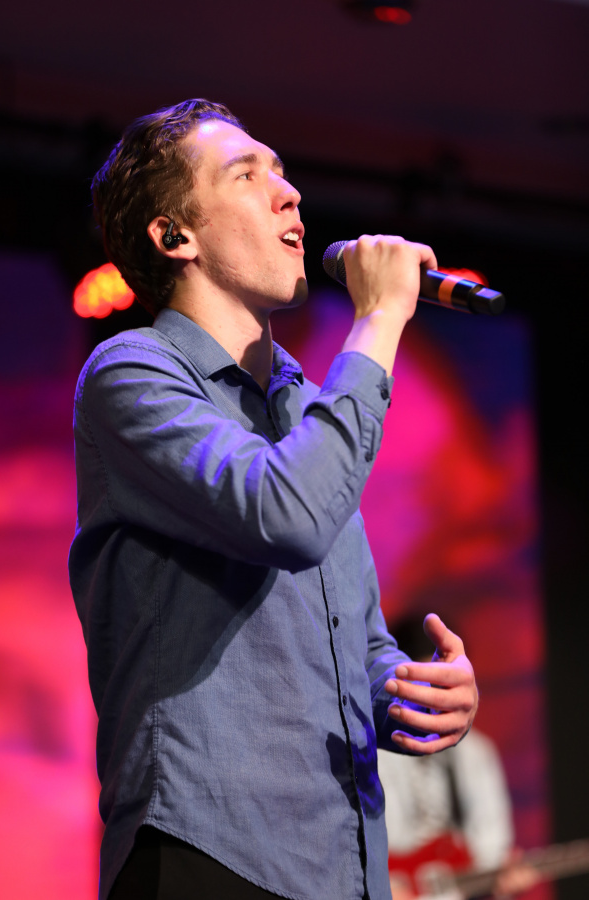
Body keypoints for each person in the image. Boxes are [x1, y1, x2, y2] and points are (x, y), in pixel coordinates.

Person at [68, 98, 478, 900]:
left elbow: (352, 642)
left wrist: (410, 694)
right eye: (246, 175)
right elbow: (285, 517)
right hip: (207, 850)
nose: (288, 193)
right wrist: (379, 318)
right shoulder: (132, 374)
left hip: (338, 868)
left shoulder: (311, 412)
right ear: (174, 236)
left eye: (282, 173)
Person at [377, 616, 536, 900]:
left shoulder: (479, 754)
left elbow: (492, 853)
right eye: (423, 687)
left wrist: (499, 882)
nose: (434, 702)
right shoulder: (373, 750)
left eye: (443, 687)